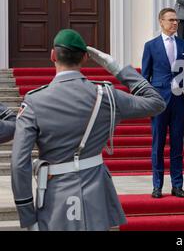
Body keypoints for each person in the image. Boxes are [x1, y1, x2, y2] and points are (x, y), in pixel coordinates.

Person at [11, 29, 166, 231]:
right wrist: (117, 68)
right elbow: (156, 102)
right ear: (85, 58)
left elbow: (19, 163)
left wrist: (28, 216)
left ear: (53, 55)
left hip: (56, 197)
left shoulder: (34, 101)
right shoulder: (106, 95)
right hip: (96, 197)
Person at [142, 8, 184, 199]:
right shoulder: (151, 46)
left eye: (177, 20)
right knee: (158, 145)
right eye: (171, 20)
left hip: (179, 101)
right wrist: (146, 100)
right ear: (161, 21)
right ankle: (157, 186)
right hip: (158, 100)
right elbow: (145, 76)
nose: (175, 23)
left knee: (177, 144)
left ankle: (177, 185)